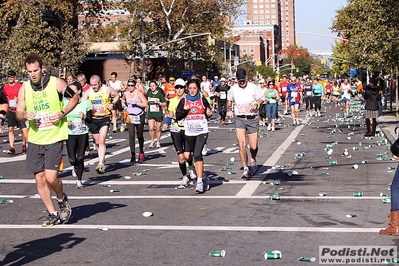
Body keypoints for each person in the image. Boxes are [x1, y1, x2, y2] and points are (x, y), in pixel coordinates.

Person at [16, 53, 78, 226]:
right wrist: (25, 115)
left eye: (36, 70)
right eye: (29, 71)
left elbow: (75, 98)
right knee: (39, 179)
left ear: (42, 68)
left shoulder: (56, 83)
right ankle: (52, 213)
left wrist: (62, 113)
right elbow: (19, 112)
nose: (33, 74)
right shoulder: (25, 88)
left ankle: (61, 198)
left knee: (51, 178)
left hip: (54, 136)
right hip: (35, 138)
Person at [176, 78, 212, 193]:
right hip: (190, 132)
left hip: (202, 131)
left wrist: (209, 113)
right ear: (187, 88)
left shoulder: (202, 100)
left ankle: (200, 181)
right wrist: (185, 111)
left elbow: (208, 112)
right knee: (189, 155)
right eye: (190, 88)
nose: (192, 91)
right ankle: (203, 174)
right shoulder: (184, 101)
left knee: (197, 154)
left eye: (194, 88)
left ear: (198, 89)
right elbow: (178, 116)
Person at [226, 68, 264, 179]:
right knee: (241, 144)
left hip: (252, 118)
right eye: (240, 81)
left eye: (243, 80)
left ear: (246, 78)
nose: (242, 83)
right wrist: (229, 109)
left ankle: (253, 159)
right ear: (236, 80)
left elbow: (262, 98)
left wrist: (257, 104)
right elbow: (229, 99)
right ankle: (245, 168)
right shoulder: (233, 89)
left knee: (253, 146)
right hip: (239, 118)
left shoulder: (253, 87)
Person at [162, 78, 196, 186]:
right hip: (176, 130)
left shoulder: (188, 100)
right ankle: (185, 177)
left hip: (187, 130)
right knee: (181, 156)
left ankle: (191, 166)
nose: (179, 90)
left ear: (184, 88)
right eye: (177, 88)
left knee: (187, 155)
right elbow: (170, 115)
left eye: (181, 87)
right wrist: (166, 123)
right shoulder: (172, 101)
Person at [83, 75, 119, 174]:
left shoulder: (106, 89)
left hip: (104, 118)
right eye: (92, 85)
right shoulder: (88, 92)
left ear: (99, 83)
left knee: (102, 140)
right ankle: (101, 158)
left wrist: (112, 104)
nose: (93, 87)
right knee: (97, 142)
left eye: (95, 85)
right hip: (93, 119)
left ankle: (100, 163)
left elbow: (116, 95)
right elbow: (82, 101)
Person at [65, 81, 92, 188]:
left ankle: (79, 180)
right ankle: (75, 166)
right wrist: (66, 122)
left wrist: (84, 117)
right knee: (72, 160)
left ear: (79, 91)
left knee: (80, 157)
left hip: (83, 133)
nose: (70, 91)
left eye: (72, 89)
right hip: (70, 133)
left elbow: (90, 120)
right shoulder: (65, 101)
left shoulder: (86, 103)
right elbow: (61, 116)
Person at [122, 79, 148, 163]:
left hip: (139, 115)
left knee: (139, 135)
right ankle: (132, 154)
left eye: (132, 85)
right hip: (130, 116)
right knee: (131, 135)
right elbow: (122, 99)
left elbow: (145, 104)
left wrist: (136, 103)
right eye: (128, 85)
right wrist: (123, 104)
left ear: (135, 86)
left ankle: (141, 152)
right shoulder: (126, 93)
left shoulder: (139, 93)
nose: (130, 87)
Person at [3, 70, 28, 154]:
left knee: (23, 130)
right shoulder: (5, 87)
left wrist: (18, 99)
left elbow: (25, 97)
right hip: (10, 110)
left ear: (15, 77)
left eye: (12, 77)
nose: (10, 78)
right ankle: (12, 147)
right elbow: (3, 97)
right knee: (10, 129)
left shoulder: (20, 86)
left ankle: (24, 145)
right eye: (9, 77)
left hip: (19, 110)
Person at [147, 80, 167, 149]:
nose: (152, 87)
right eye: (151, 86)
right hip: (151, 113)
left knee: (158, 129)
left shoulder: (159, 94)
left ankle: (158, 142)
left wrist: (159, 103)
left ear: (156, 86)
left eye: (153, 86)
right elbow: (146, 101)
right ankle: (152, 141)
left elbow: (164, 103)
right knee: (151, 128)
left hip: (158, 113)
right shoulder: (148, 93)